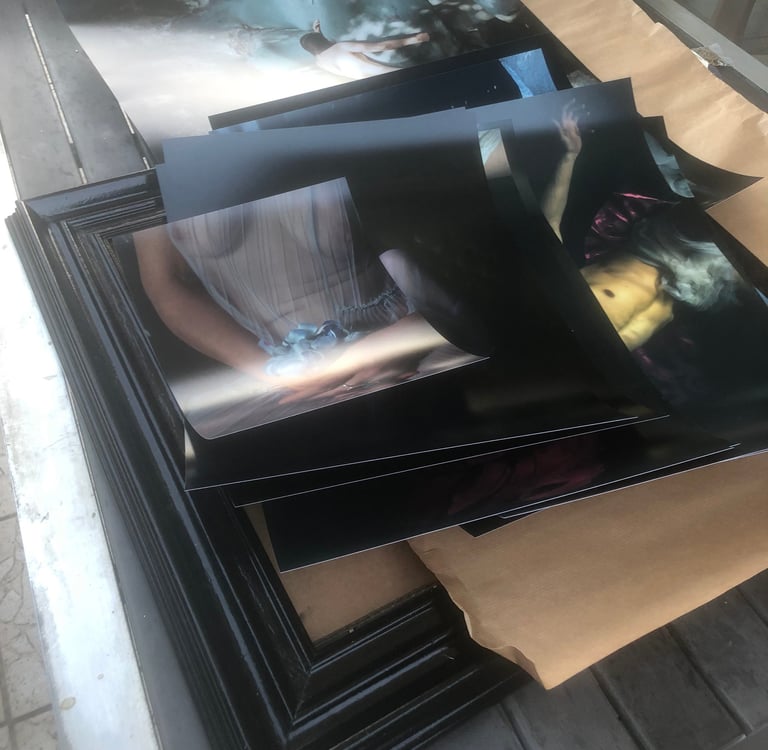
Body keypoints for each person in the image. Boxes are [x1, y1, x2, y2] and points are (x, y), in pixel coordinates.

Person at [133, 180, 466, 432]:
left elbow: (446, 219)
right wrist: (274, 372)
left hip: (426, 329)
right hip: (298, 383)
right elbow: (166, 288)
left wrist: (413, 332)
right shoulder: (141, 148)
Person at [539, 105, 741, 350]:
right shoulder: (661, 313)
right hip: (686, 275)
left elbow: (549, 225)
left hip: (663, 251)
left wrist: (569, 157)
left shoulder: (556, 299)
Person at [299, 19, 430, 79]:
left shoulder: (320, 62)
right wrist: (414, 39)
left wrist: (317, 33)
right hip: (395, 74)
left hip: (372, 84)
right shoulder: (341, 47)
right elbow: (382, 46)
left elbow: (320, 47)